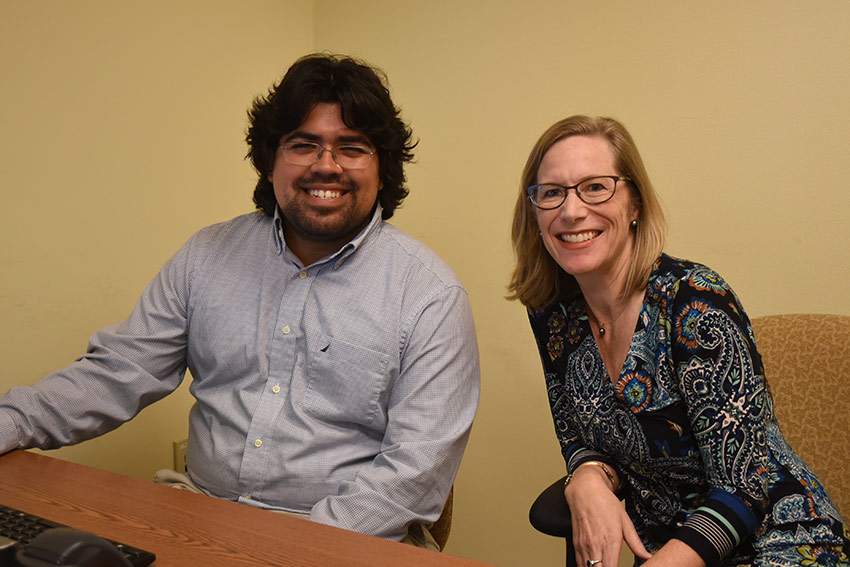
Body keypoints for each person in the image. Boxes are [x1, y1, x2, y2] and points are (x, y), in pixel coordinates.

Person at [0, 53, 480, 550]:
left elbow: (415, 473)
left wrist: (277, 547)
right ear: (270, 161)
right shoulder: (206, 255)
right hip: (196, 518)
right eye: (303, 144)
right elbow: (119, 371)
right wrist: (9, 423)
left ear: (383, 171)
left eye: (352, 148)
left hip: (346, 544)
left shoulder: (430, 295)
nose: (326, 165)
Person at [508, 115, 848, 567]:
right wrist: (587, 476)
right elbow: (576, 434)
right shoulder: (552, 311)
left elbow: (743, 486)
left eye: (595, 187)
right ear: (534, 213)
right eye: (552, 192)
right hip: (662, 547)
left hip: (778, 542)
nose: (571, 211)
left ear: (635, 205)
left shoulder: (695, 302)